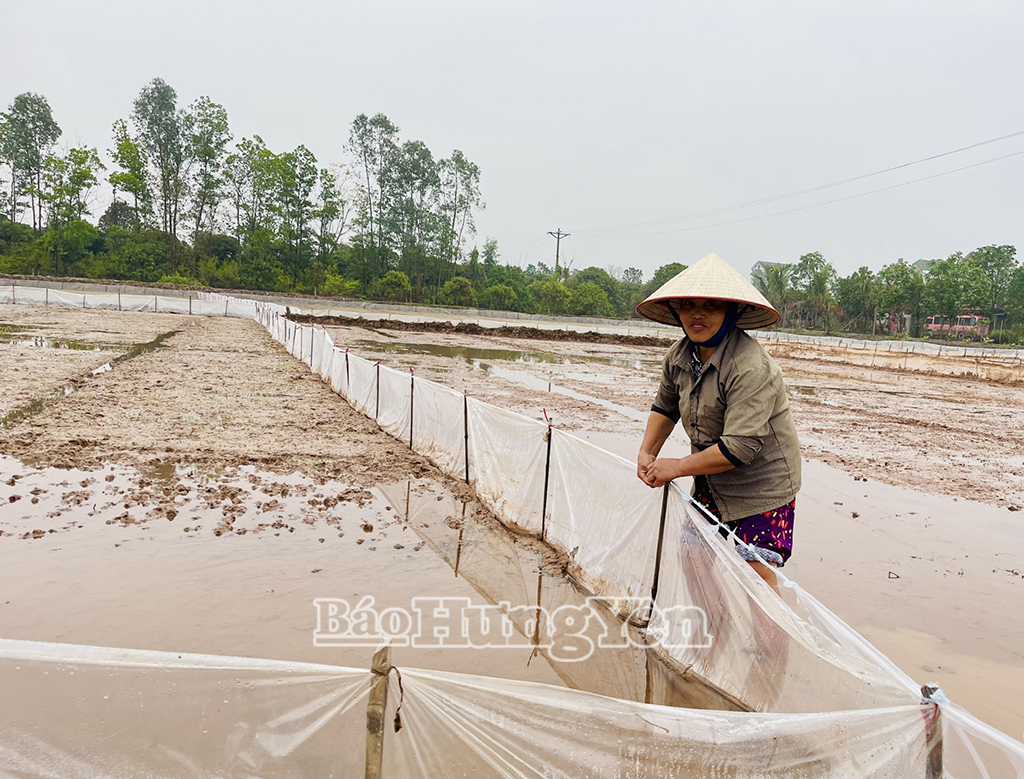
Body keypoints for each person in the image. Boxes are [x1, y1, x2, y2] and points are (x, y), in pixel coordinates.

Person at [635, 253, 802, 591]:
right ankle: (710, 633)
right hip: (712, 479)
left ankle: (766, 646)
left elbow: (739, 447)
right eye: (688, 305)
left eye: (711, 305)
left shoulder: (749, 366)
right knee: (693, 556)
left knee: (756, 573)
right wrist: (646, 452)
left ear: (732, 313)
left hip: (763, 485)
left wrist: (676, 466)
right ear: (677, 311)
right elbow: (665, 407)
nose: (698, 313)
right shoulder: (680, 356)